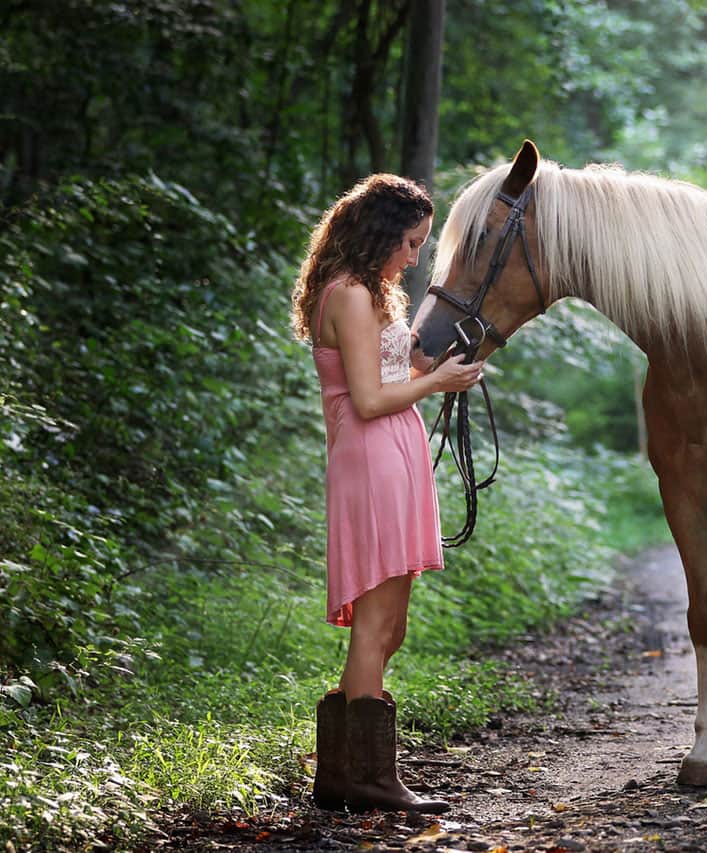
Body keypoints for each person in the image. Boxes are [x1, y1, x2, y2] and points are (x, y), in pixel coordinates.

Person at [290, 174, 483, 814]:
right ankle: (367, 778)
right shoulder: (345, 295)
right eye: (409, 242)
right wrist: (435, 387)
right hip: (371, 456)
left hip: (394, 454)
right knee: (374, 627)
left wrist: (445, 368)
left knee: (390, 626)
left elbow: (397, 369)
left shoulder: (377, 293)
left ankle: (345, 772)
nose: (414, 256)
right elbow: (369, 400)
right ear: (379, 234)